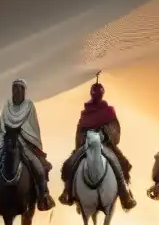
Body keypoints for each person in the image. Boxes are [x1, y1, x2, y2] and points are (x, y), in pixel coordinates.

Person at [0, 79, 55, 211]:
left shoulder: (29, 105)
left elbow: (32, 126)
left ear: (24, 91)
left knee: (39, 167)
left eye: (20, 89)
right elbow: (1, 124)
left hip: (25, 142)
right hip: (7, 141)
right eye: (15, 88)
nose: (17, 91)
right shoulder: (7, 105)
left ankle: (43, 196)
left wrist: (21, 134)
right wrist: (6, 135)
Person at [58, 77, 136, 210]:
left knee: (121, 163)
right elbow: (79, 131)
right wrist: (83, 140)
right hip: (86, 144)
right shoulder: (85, 112)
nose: (97, 96)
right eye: (95, 94)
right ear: (91, 94)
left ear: (102, 94)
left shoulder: (109, 111)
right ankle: (68, 193)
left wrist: (105, 133)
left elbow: (115, 128)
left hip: (106, 143)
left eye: (99, 94)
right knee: (70, 163)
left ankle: (125, 194)